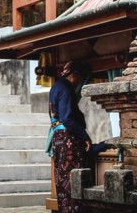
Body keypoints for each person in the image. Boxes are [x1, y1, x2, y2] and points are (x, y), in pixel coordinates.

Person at [47, 60, 91, 213]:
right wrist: (84, 136)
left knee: (62, 179)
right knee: (72, 179)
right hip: (67, 141)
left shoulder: (55, 87)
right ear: (76, 76)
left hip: (58, 138)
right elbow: (67, 118)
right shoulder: (66, 89)